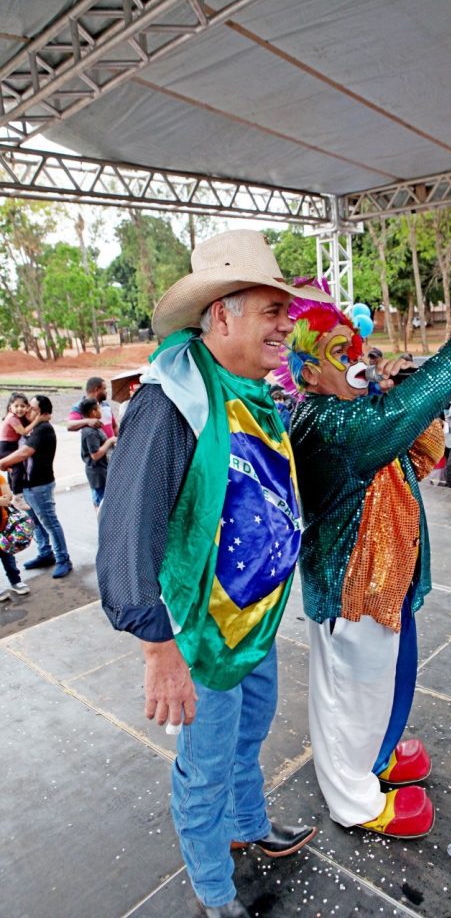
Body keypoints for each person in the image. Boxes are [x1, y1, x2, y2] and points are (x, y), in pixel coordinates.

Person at [96, 229, 334, 918]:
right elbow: (126, 530)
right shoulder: (172, 399)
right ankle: (213, 887)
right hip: (199, 633)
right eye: (272, 311)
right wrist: (158, 648)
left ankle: (248, 824)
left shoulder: (252, 390)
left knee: (248, 735)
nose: (287, 325)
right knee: (204, 765)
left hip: (253, 619)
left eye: (286, 312)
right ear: (222, 316)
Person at [277, 283, 451, 840]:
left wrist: (401, 388)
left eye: (358, 350)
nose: (359, 362)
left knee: (385, 685)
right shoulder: (325, 421)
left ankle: (378, 754)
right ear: (309, 374)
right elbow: (396, 420)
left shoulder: (362, 413)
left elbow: (426, 450)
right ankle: (353, 800)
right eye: (341, 355)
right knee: (351, 695)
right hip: (354, 588)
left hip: (391, 582)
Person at [0, 395, 72, 578]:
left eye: (31, 408)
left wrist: (3, 462)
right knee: (36, 523)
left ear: (43, 413)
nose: (26, 410)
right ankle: (45, 553)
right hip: (27, 485)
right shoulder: (29, 427)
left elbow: (25, 453)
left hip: (40, 485)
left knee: (49, 523)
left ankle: (63, 559)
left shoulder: (43, 429)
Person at [78, 397, 117, 512]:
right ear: (93, 412)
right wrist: (110, 441)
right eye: (99, 408)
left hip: (102, 471)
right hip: (97, 474)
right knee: (102, 506)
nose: (101, 410)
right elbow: (95, 455)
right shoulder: (90, 432)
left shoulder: (95, 427)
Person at [0, 392, 42, 494]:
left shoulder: (17, 417)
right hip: (5, 447)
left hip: (11, 446)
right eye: (16, 406)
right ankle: (17, 494)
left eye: (23, 406)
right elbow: (23, 432)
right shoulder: (12, 418)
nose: (19, 409)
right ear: (10, 408)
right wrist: (37, 420)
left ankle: (13, 490)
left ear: (27, 407)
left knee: (15, 468)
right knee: (18, 466)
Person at [0, 470, 30, 602]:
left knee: (8, 555)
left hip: (4, 525)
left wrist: (6, 498)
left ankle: (16, 581)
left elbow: (8, 496)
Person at [67, 376, 118, 441]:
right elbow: (70, 425)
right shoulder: (80, 405)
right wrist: (87, 421)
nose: (106, 392)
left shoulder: (106, 405)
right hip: (94, 447)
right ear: (96, 390)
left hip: (112, 447)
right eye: (104, 389)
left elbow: (114, 426)